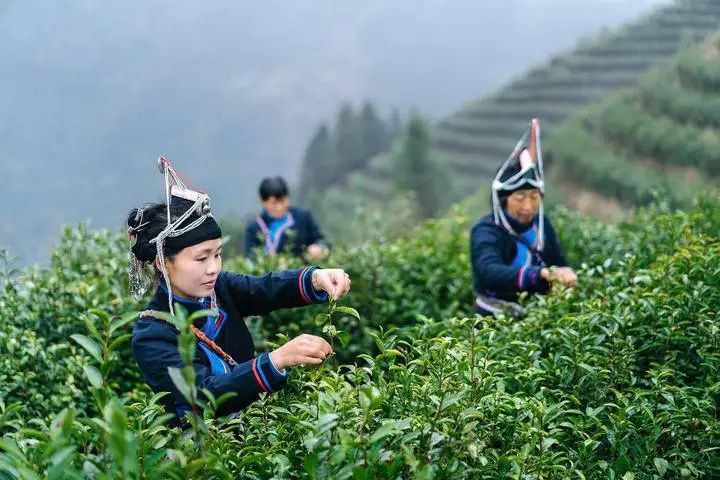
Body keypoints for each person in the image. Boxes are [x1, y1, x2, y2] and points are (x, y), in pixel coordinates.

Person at [129, 158, 351, 425]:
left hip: (251, 433)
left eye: (218, 254)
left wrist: (316, 278)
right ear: (163, 263)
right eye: (201, 259)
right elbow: (203, 393)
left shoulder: (219, 289)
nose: (213, 268)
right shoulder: (153, 333)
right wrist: (276, 360)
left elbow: (263, 289)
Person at [470, 119, 577, 317]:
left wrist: (565, 272)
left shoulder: (541, 225)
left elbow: (556, 260)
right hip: (493, 320)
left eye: (534, 197)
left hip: (536, 315)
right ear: (504, 200)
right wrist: (538, 274)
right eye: (519, 198)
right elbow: (488, 271)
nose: (528, 206)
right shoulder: (486, 230)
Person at [245, 176, 330, 260]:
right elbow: (250, 257)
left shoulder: (302, 218)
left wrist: (320, 248)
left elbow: (321, 241)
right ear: (262, 201)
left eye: (282, 201)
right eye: (273, 203)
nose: (279, 207)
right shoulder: (254, 228)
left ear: (288, 197)